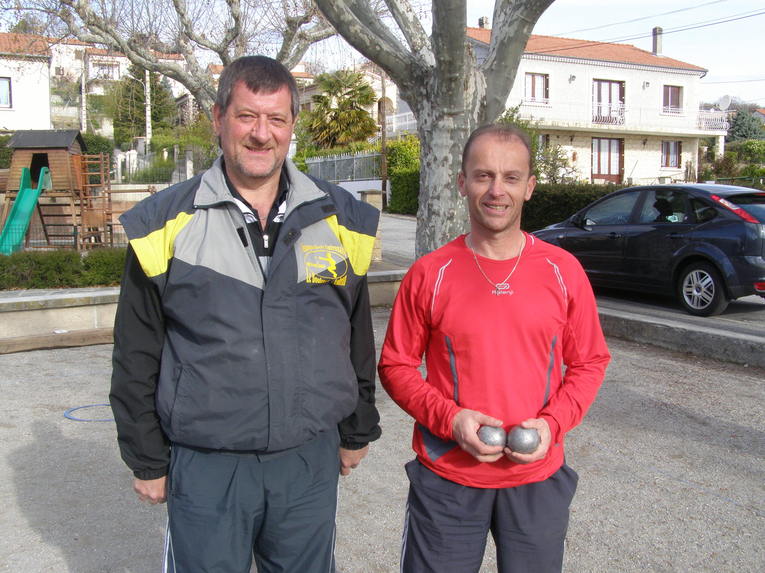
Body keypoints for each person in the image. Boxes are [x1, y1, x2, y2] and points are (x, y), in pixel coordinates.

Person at [110, 55, 381, 573]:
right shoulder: (161, 225)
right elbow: (136, 353)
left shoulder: (343, 219)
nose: (262, 134)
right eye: (247, 117)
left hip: (307, 459)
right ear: (218, 118)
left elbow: (353, 335)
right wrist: (146, 456)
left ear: (292, 126)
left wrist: (356, 429)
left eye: (276, 119)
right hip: (208, 462)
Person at [378, 123, 610, 573]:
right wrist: (451, 419)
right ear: (462, 182)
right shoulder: (430, 273)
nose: (496, 190)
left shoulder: (563, 270)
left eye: (510, 177)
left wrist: (552, 425)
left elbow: (590, 361)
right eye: (483, 175)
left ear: (529, 187)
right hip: (448, 477)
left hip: (536, 478)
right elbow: (396, 365)